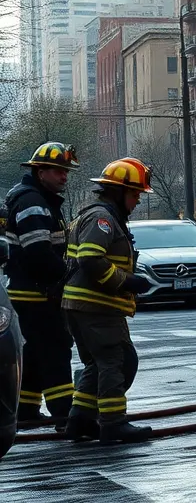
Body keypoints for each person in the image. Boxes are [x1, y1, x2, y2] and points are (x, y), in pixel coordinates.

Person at [62, 158, 155, 444]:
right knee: (115, 361)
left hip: (84, 305)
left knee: (96, 364)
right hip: (96, 306)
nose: (137, 201)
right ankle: (114, 423)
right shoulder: (102, 219)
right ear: (118, 191)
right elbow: (90, 258)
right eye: (135, 194)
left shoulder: (99, 216)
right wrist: (125, 281)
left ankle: (80, 420)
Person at [4, 142, 79, 427]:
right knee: (56, 349)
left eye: (66, 172)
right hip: (37, 294)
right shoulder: (33, 203)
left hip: (29, 292)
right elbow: (38, 253)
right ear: (40, 171)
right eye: (58, 171)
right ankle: (64, 413)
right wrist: (67, 276)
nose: (64, 177)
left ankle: (25, 410)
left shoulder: (37, 199)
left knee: (34, 352)